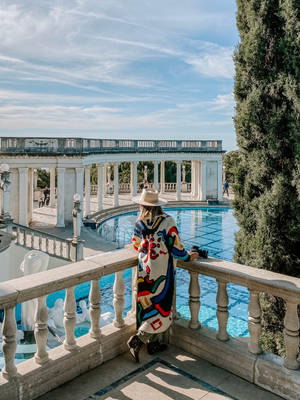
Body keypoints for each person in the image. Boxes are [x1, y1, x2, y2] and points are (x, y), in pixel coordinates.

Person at [127, 189, 199, 362]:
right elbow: (176, 248)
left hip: (145, 271)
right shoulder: (168, 221)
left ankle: (152, 344)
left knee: (147, 306)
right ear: (158, 205)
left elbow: (136, 245)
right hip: (162, 271)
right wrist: (189, 256)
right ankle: (138, 339)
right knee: (162, 308)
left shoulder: (140, 223)